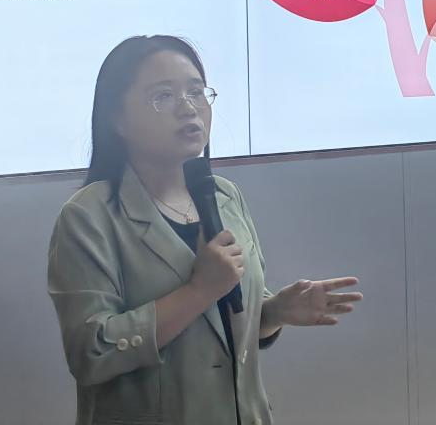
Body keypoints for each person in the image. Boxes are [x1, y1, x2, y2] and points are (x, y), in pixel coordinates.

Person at [48, 35, 363, 425]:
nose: (188, 107)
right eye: (163, 96)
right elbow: (91, 353)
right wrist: (198, 291)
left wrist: (275, 311)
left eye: (197, 92)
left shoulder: (225, 196)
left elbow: (224, 322)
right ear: (118, 119)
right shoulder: (89, 216)